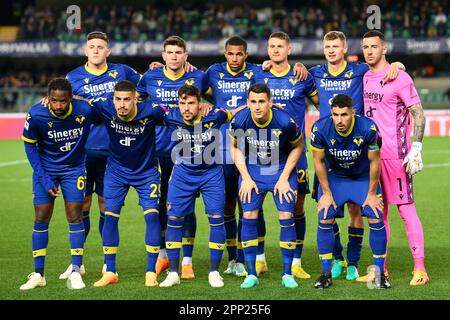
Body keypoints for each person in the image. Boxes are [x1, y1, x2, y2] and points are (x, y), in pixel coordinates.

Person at [205, 35, 308, 277]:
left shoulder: (277, 74)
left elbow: (319, 98)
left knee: (294, 207)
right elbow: (193, 86)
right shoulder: (231, 73)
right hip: (237, 150)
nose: (234, 58)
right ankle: (245, 259)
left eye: (239, 53)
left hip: (282, 149)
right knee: (237, 205)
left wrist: (300, 66)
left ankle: (293, 262)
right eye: (230, 53)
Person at [309, 30, 405, 281]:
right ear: (323, 49)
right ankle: (337, 259)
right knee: (327, 209)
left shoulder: (359, 69)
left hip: (357, 147)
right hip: (328, 150)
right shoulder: (314, 73)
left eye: (335, 46)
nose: (331, 50)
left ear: (344, 49)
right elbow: (291, 81)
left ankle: (352, 263)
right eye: (327, 46)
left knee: (356, 211)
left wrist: (397, 64)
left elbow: (380, 66)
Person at [59, 31, 141, 280]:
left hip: (113, 152)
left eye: (100, 47)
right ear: (85, 51)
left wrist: (160, 67)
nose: (96, 50)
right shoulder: (72, 77)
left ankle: (108, 262)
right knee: (81, 206)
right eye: (92, 46)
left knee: (107, 205)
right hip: (82, 152)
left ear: (108, 51)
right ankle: (78, 263)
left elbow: (150, 85)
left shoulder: (123, 72)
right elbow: (59, 102)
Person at [360, 30, 428, 286]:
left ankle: (420, 269)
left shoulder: (399, 77)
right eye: (365, 46)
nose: (369, 51)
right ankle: (381, 269)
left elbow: (418, 114)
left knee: (406, 210)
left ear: (384, 48)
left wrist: (417, 147)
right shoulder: (364, 76)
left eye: (374, 46)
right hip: (370, 157)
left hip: (396, 157)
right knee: (379, 214)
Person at [137, 36, 208, 280]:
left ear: (185, 56)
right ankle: (164, 254)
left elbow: (213, 97)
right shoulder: (150, 77)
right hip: (156, 152)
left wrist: (206, 104)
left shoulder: (198, 77)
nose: (174, 56)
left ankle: (186, 260)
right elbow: (134, 101)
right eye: (170, 52)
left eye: (179, 52)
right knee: (159, 205)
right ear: (163, 55)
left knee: (185, 206)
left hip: (188, 151)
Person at [158, 85, 244, 288]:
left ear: (199, 103)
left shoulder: (215, 115)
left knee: (216, 219)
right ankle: (173, 273)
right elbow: (143, 107)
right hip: (182, 174)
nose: (186, 108)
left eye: (191, 103)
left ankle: (214, 272)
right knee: (174, 219)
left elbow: (234, 112)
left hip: (211, 174)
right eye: (182, 103)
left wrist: (252, 103)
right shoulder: (170, 115)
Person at [254, 31, 319, 279]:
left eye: (280, 46)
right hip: (262, 152)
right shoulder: (260, 74)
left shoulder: (301, 76)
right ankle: (259, 258)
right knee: (255, 204)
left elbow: (320, 105)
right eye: (271, 46)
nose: (275, 50)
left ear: (289, 50)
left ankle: (295, 262)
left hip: (294, 151)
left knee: (296, 207)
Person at [20, 78, 96, 290]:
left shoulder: (85, 110)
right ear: (48, 99)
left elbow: (105, 111)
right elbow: (30, 148)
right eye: (54, 101)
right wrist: (44, 178)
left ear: (71, 99)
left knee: (75, 215)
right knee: (41, 217)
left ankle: (75, 270)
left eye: (63, 101)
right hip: (45, 171)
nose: (58, 105)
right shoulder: (36, 114)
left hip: (74, 169)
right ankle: (38, 274)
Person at [88, 80, 166, 287]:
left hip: (147, 172)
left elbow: (176, 110)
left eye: (126, 100)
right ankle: (110, 271)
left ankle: (151, 271)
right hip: (116, 172)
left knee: (151, 217)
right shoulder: (104, 106)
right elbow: (76, 100)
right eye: (118, 99)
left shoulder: (152, 111)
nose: (121, 105)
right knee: (110, 217)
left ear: (135, 99)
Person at [310, 94, 390, 289]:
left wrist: (371, 194)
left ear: (353, 112)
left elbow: (375, 161)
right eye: (335, 115)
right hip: (335, 177)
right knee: (325, 215)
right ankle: (326, 273)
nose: (339, 120)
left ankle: (379, 275)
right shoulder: (320, 128)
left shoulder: (368, 128)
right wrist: (327, 193)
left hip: (361, 177)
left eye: (344, 115)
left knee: (375, 215)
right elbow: (318, 161)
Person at [229, 83, 304, 289]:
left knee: (286, 216)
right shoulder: (240, 120)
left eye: (262, 101)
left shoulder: (285, 122)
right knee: (249, 216)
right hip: (253, 170)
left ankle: (287, 273)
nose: (257, 106)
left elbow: (298, 147)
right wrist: (245, 177)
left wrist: (283, 177)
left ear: (270, 102)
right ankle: (251, 273)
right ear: (247, 102)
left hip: (280, 169)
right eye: (253, 101)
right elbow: (234, 147)